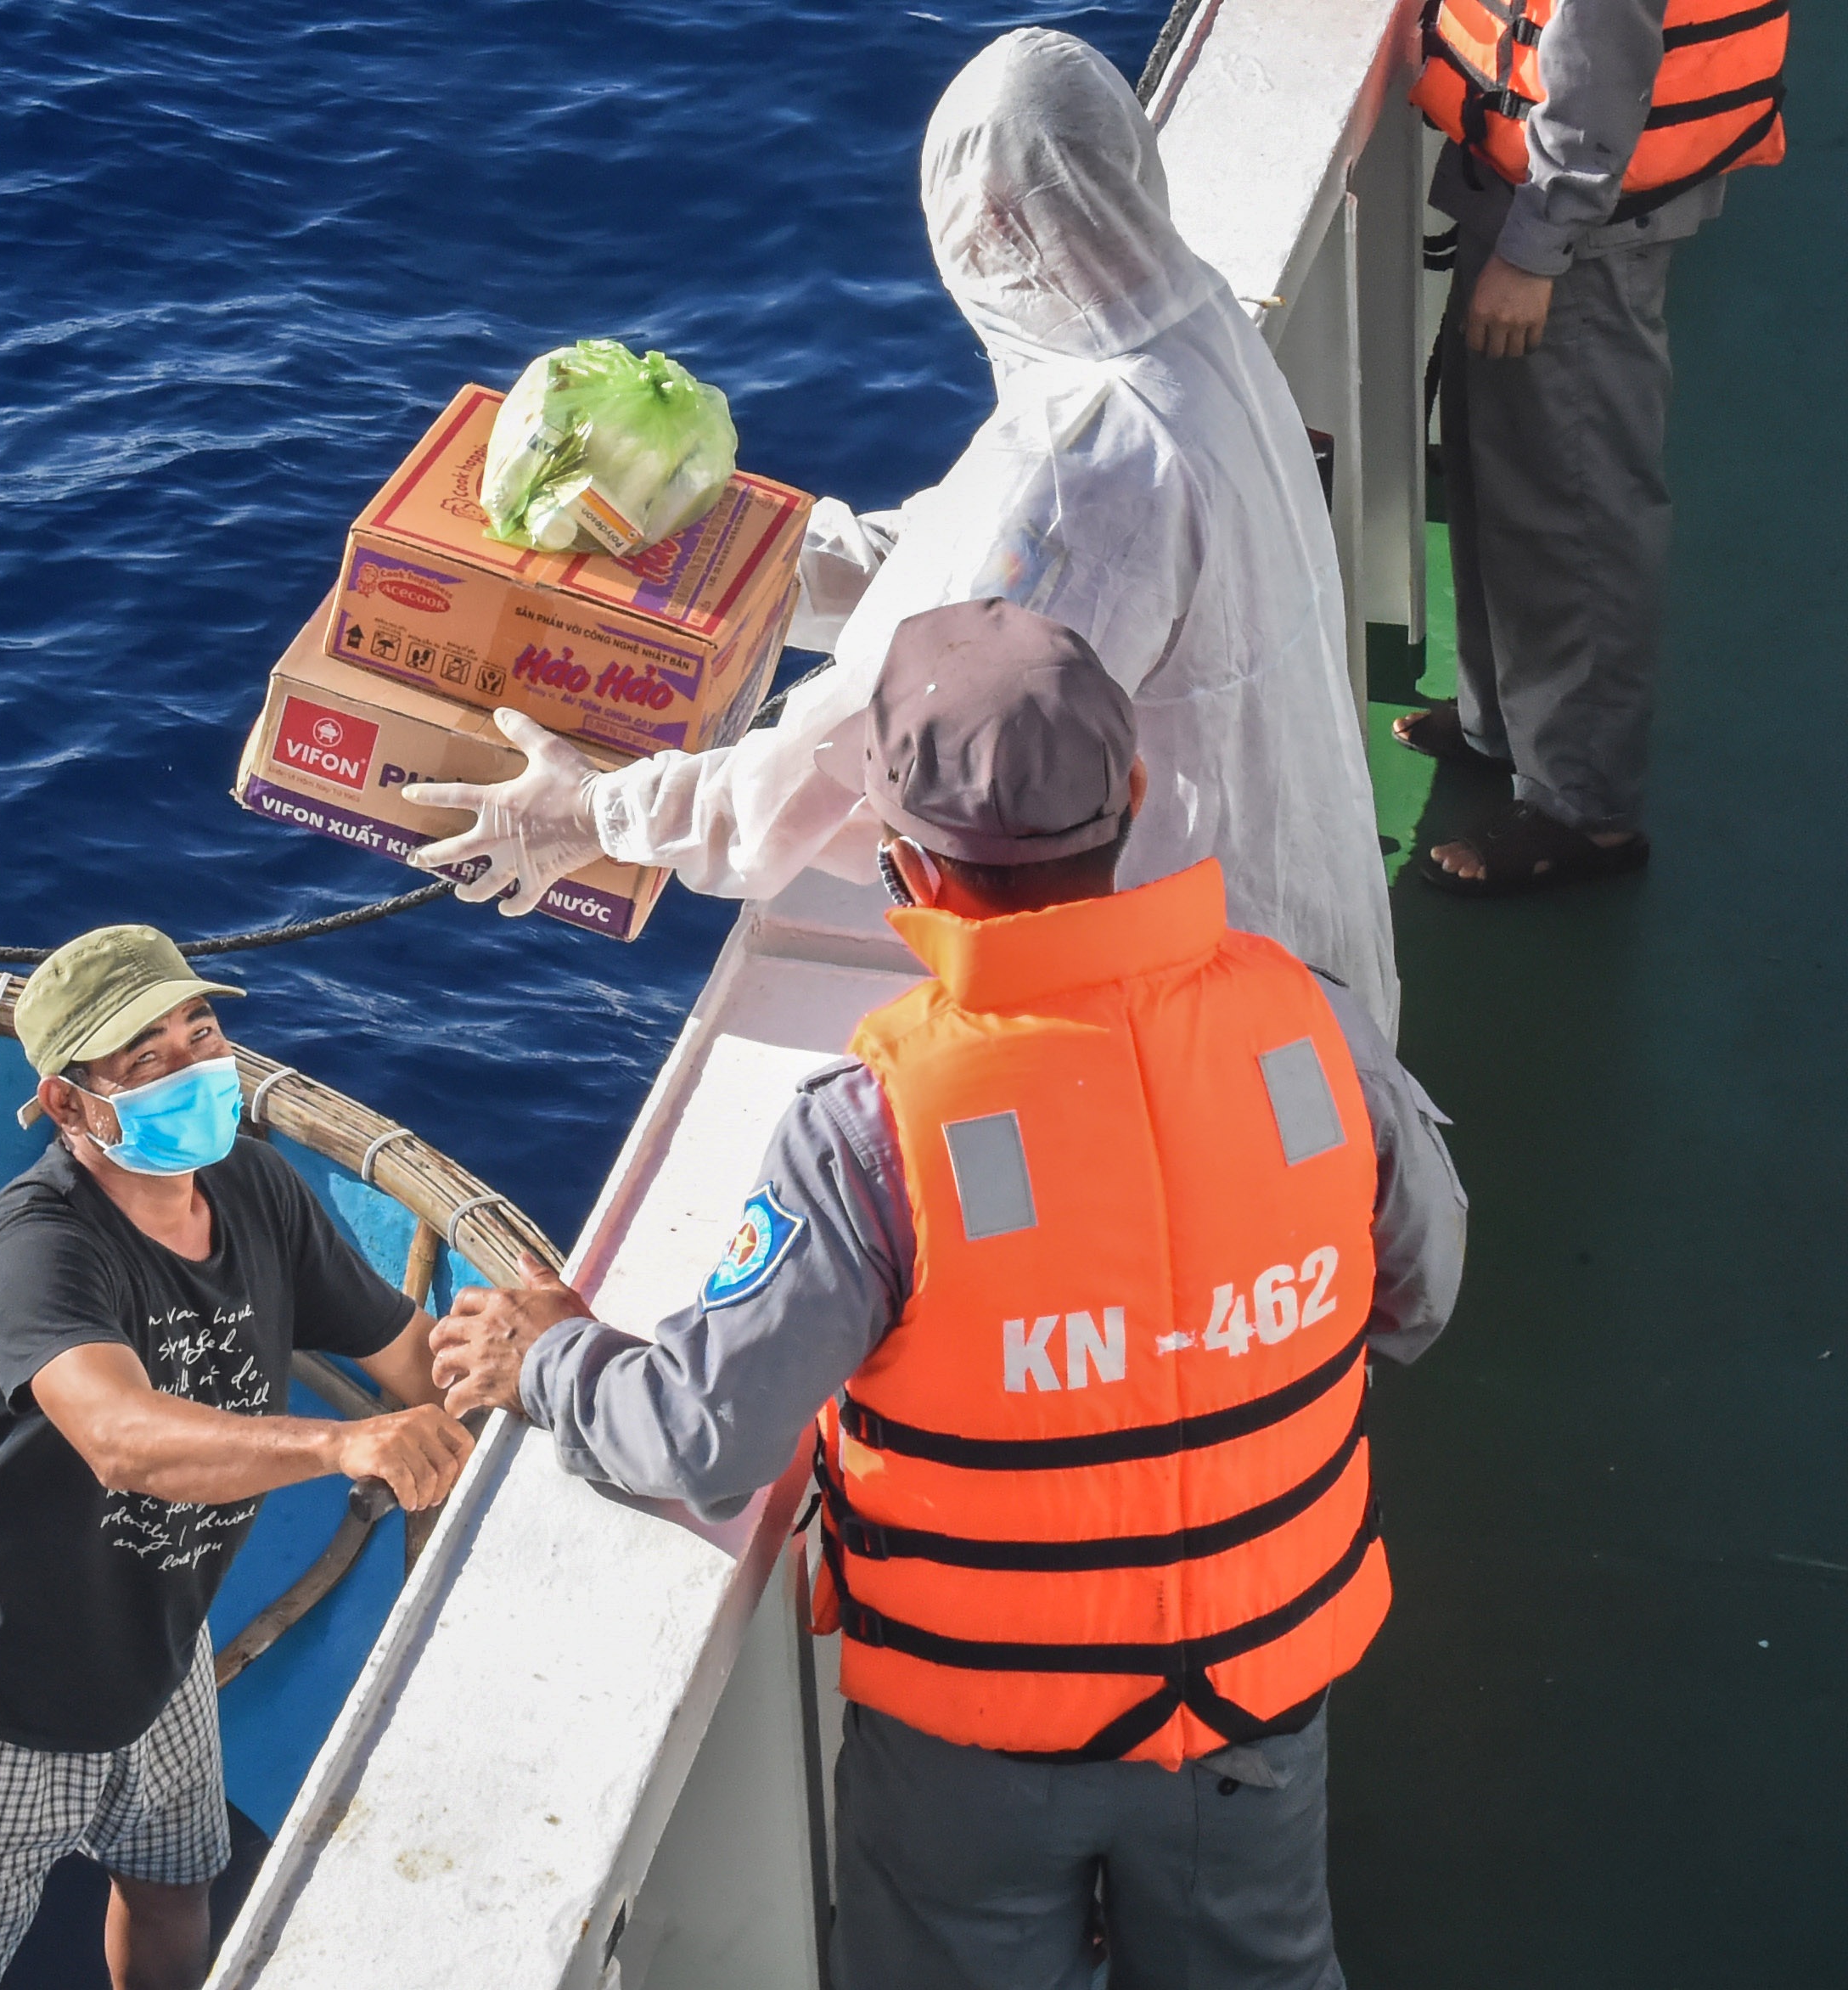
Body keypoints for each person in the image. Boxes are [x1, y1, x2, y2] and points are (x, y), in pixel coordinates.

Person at [430, 601, 1466, 1988]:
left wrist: (551, 1354)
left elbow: (702, 1439)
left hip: (980, 1746)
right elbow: (1418, 1290)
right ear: (1135, 794)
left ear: (897, 853)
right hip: (1254, 1708)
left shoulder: (871, 1124)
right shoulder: (1309, 1021)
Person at [408, 29, 1401, 1034]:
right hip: (1307, 950)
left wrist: (591, 814)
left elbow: (875, 741)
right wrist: (761, 572)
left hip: (1211, 1016)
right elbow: (983, 562)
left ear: (981, 233)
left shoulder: (1084, 456)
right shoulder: (1191, 331)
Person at [0, 925, 471, 1990]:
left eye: (199, 1033)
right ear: (68, 1104)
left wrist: (538, 1359)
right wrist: (346, 1441)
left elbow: (410, 1359)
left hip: (156, 1646)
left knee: (173, 1884)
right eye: (146, 1062)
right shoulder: (36, 1249)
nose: (195, 1069)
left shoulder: (257, 1187)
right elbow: (120, 1438)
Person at [1401, 0, 1785, 894]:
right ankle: (1498, 721)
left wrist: (1539, 249)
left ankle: (1584, 811)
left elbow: (1602, 58)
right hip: (1527, 191)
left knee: (1572, 503)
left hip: (1580, 229)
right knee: (1498, 465)